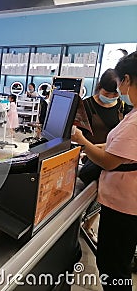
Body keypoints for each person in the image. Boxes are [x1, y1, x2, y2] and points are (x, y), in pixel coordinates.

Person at [71, 51, 137, 291]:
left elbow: (110, 161)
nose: (116, 91)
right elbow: (116, 148)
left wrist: (82, 142)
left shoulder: (134, 117)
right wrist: (90, 148)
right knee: (116, 263)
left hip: (125, 206)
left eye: (119, 84)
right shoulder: (133, 113)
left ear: (127, 80)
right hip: (125, 202)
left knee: (113, 266)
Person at [78, 69, 127, 243]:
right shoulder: (86, 105)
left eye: (115, 93)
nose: (112, 96)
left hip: (111, 158)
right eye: (108, 92)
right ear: (99, 87)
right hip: (88, 157)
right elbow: (77, 136)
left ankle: (88, 224)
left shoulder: (123, 107)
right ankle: (82, 223)